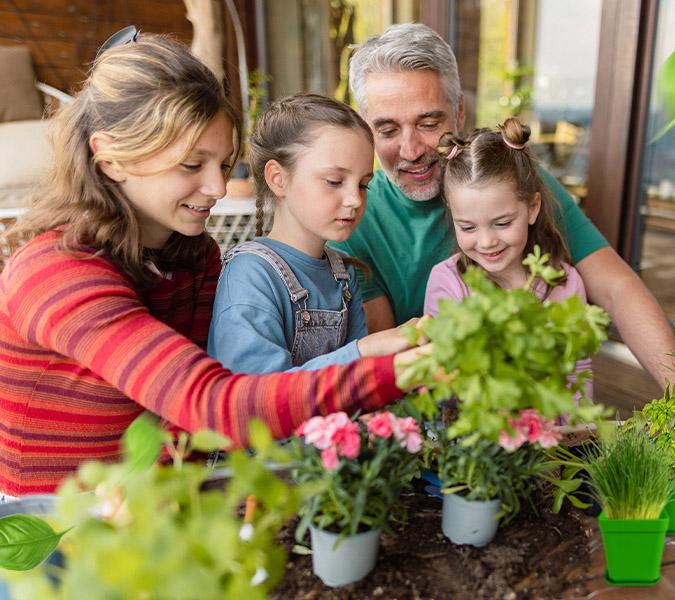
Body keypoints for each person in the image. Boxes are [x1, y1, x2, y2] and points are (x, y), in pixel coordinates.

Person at [0, 33, 426, 496]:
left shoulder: (195, 256)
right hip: (61, 536)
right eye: (191, 165)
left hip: (168, 507)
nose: (218, 189)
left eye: (223, 165)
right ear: (110, 160)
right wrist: (394, 368)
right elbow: (212, 404)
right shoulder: (54, 272)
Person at [331, 22, 674, 386]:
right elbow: (394, 360)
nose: (411, 150)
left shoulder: (517, 183)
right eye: (387, 131)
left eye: (429, 123)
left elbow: (617, 288)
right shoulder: (353, 220)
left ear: (459, 112)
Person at [208, 94, 412, 374]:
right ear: (278, 179)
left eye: (363, 184)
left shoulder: (344, 275)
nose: (354, 199)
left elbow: (357, 384)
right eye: (334, 181)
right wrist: (364, 351)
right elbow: (254, 394)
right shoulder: (250, 275)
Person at [424, 118, 592, 398]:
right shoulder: (448, 282)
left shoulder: (566, 283)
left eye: (502, 223)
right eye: (467, 227)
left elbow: (578, 375)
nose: (487, 241)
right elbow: (441, 377)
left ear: (532, 208)